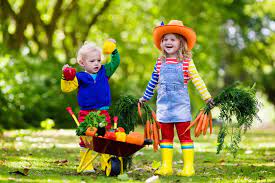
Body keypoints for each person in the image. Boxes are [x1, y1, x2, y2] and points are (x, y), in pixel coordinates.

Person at [139, 20, 214, 176]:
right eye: (165, 39)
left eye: (172, 39)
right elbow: (153, 81)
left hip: (181, 106)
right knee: (165, 137)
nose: (168, 42)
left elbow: (197, 79)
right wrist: (145, 97)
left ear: (181, 43)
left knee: (184, 136)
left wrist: (207, 97)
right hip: (164, 107)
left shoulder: (187, 63)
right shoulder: (160, 62)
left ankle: (188, 167)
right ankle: (166, 166)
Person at [61, 39, 120, 172]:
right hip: (86, 114)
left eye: (98, 60)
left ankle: (106, 165)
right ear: (82, 63)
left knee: (105, 138)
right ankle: (87, 165)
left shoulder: (104, 71)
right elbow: (67, 88)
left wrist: (113, 50)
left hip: (103, 114)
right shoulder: (79, 76)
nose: (97, 64)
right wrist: (65, 76)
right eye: (92, 61)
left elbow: (115, 62)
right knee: (86, 139)